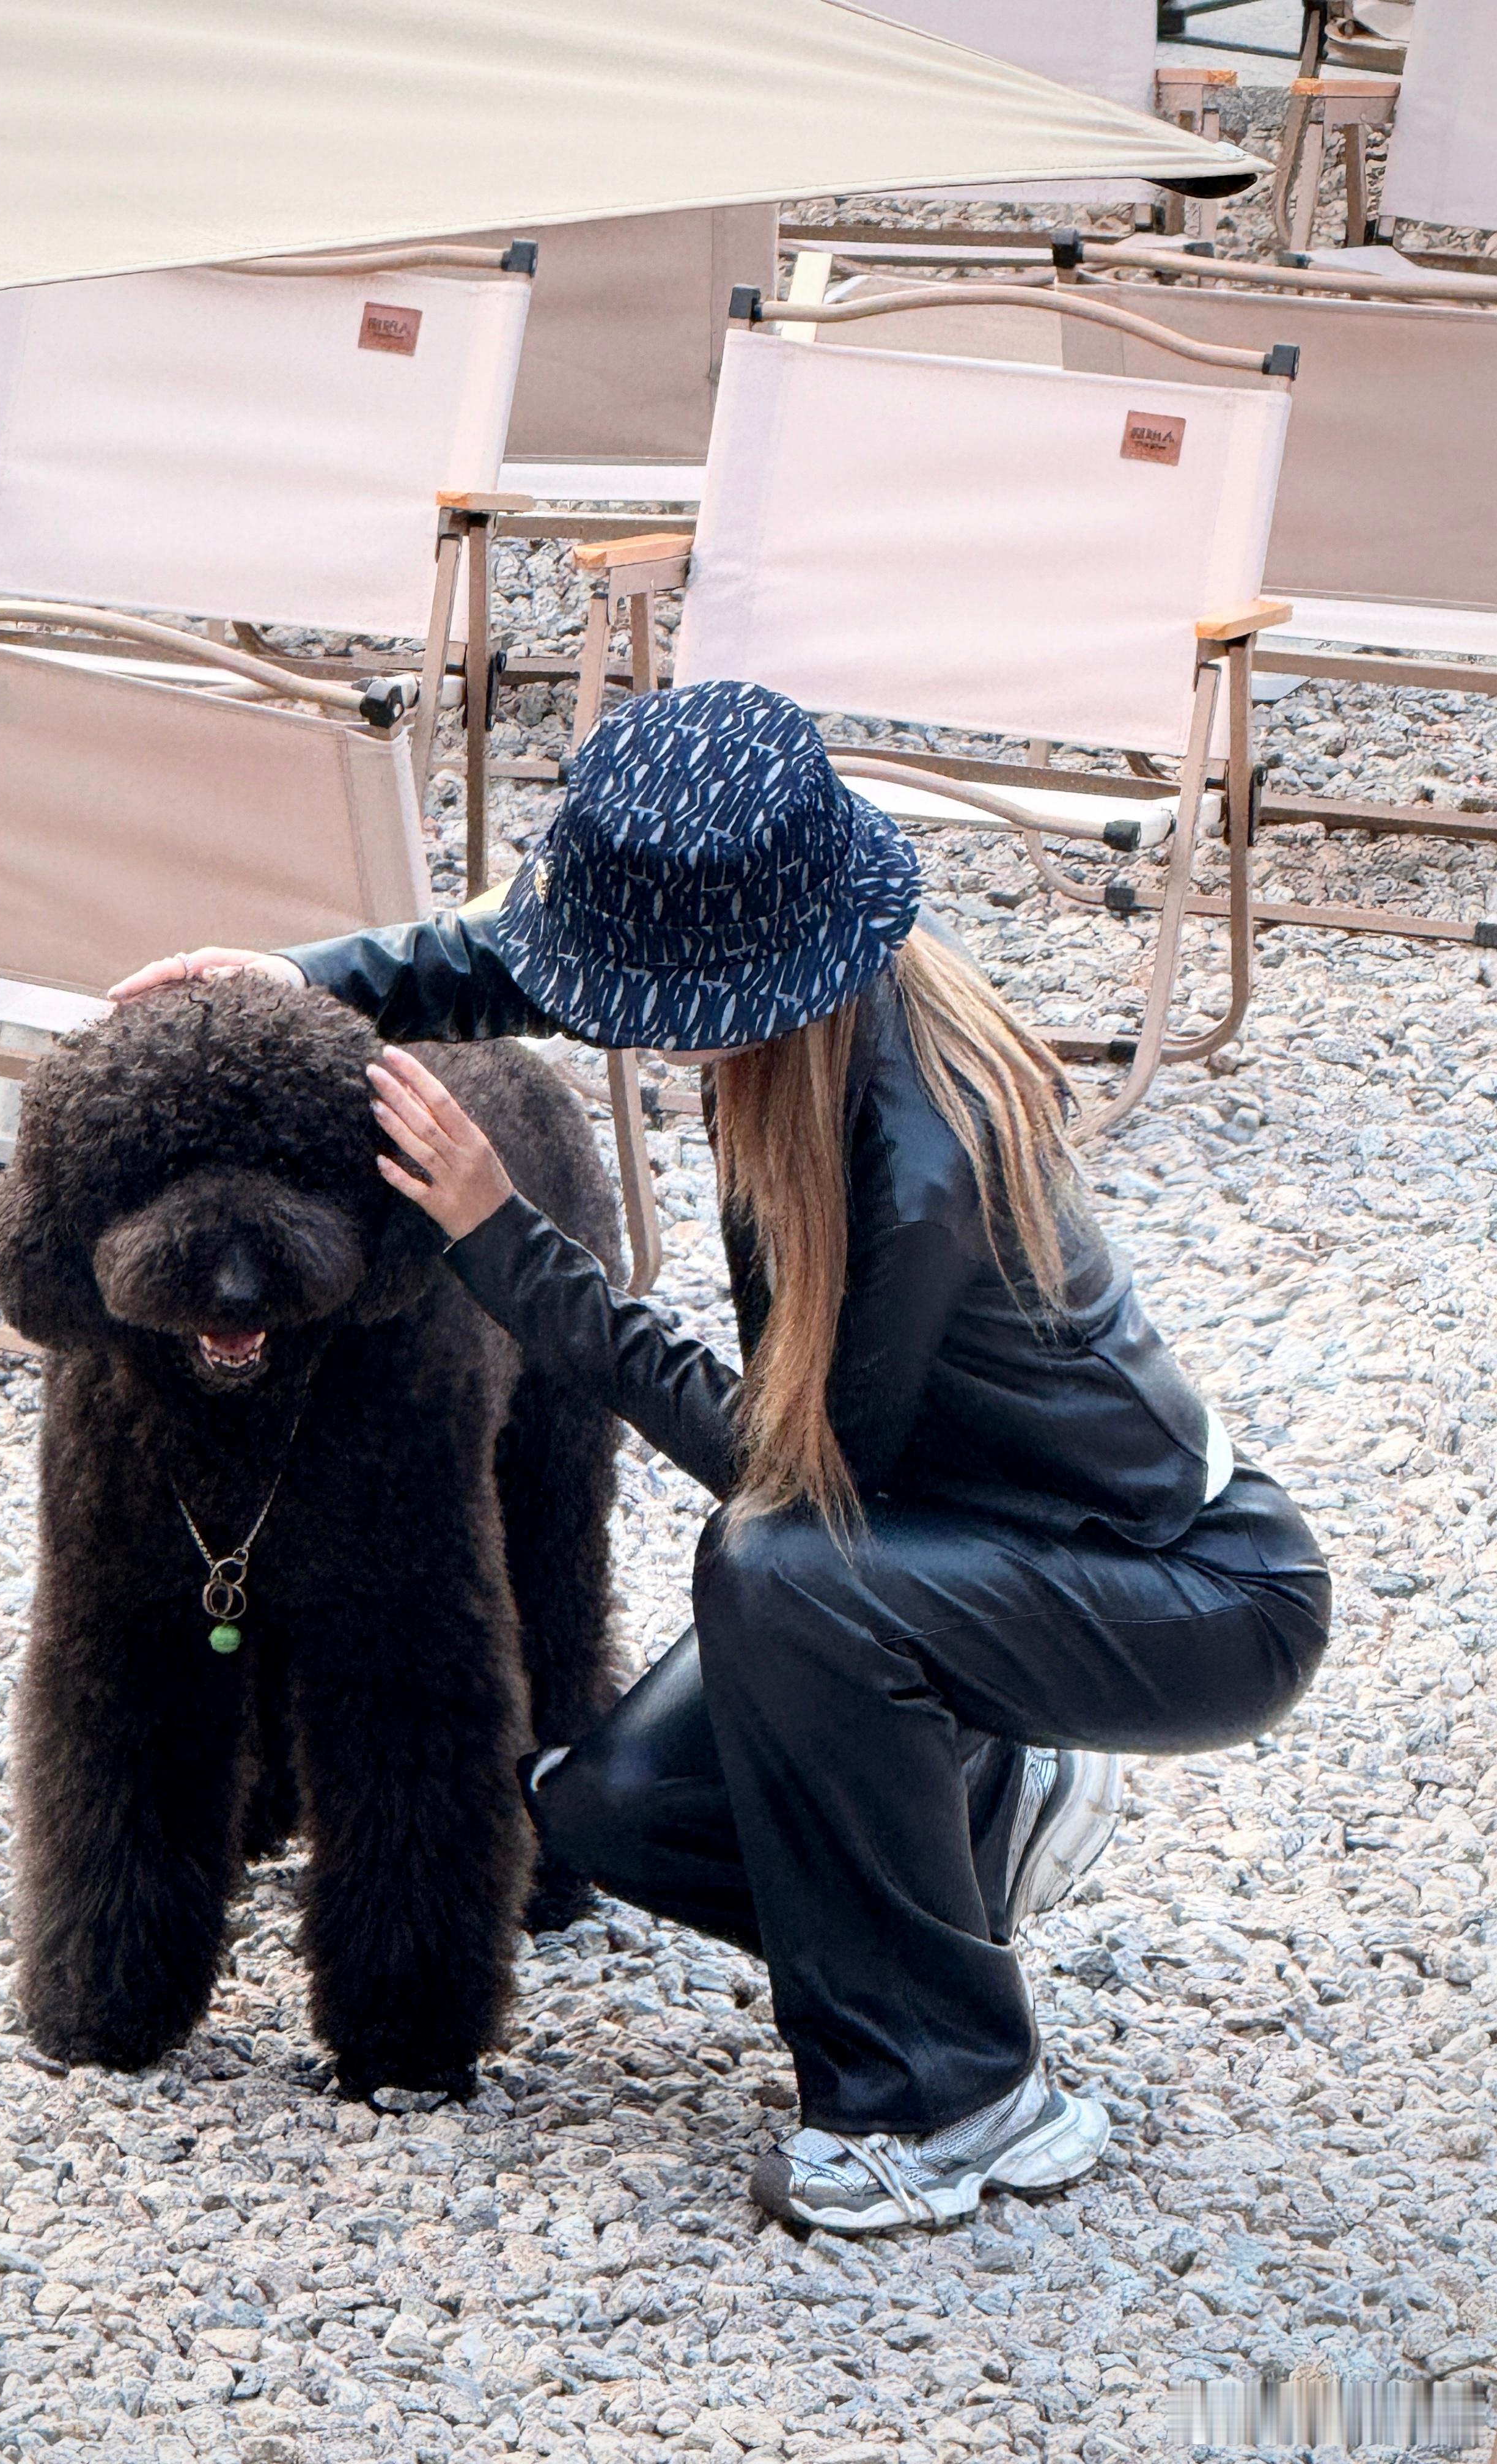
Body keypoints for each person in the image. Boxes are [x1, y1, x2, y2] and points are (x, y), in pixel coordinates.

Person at [111, 680, 1330, 2235]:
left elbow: (785, 1478)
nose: (611, 1016)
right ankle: (975, 1810)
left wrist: (502, 1239)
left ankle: (956, 2098)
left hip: (1185, 1591)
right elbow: (508, 954)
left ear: (734, 986)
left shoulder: (914, 1166)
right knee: (612, 1809)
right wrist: (295, 981)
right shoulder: (818, 1001)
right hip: (962, 1549)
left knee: (780, 1575)